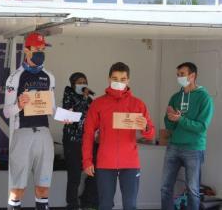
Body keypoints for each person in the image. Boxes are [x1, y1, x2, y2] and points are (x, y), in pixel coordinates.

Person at [82, 62, 155, 210]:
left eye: (123, 79)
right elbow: (88, 134)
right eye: (115, 78)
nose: (119, 82)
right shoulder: (98, 104)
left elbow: (150, 134)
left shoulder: (138, 104)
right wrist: (87, 160)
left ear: (128, 80)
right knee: (105, 205)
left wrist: (145, 126)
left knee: (130, 205)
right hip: (105, 163)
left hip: (130, 163)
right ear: (109, 79)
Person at [3, 32, 56, 210]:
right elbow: (7, 112)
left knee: (43, 189)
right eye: (37, 49)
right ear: (27, 50)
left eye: (43, 49)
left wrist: (66, 116)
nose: (41, 52)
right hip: (23, 133)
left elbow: (53, 109)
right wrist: (18, 104)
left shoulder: (49, 76)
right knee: (17, 190)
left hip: (44, 134)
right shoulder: (15, 77)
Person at [161, 62, 214, 210]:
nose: (179, 78)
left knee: (192, 190)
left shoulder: (205, 98)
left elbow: (201, 127)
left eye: (182, 74)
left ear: (192, 76)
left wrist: (180, 119)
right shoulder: (175, 97)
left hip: (194, 149)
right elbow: (169, 126)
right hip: (173, 146)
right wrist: (170, 118)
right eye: (178, 75)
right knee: (165, 188)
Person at [62, 72, 98, 210]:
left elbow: (93, 117)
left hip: (88, 141)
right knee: (75, 176)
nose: (82, 84)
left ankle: (87, 201)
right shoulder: (68, 95)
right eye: (79, 82)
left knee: (94, 171)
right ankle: (72, 205)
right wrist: (84, 98)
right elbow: (74, 114)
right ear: (73, 84)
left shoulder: (89, 99)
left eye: (84, 81)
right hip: (72, 141)